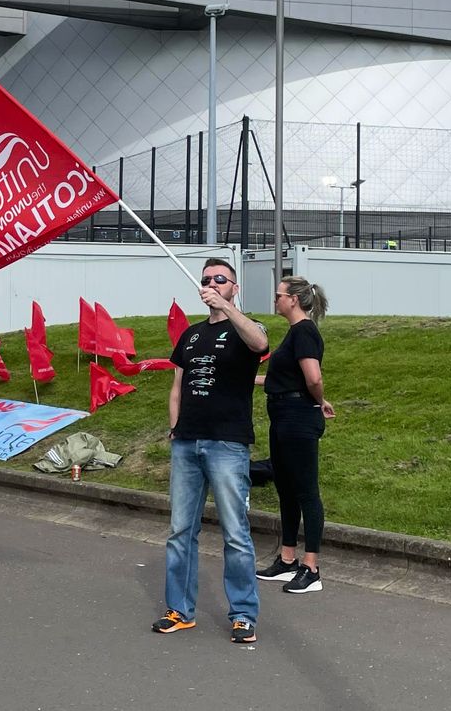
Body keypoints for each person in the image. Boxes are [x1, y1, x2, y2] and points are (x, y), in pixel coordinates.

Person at [153, 258, 268, 644]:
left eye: (221, 279)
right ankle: (179, 610)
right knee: (180, 530)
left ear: (234, 287)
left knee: (235, 533)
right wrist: (175, 428)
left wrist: (227, 308)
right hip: (187, 442)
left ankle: (243, 615)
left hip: (227, 444)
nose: (212, 284)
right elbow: (177, 387)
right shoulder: (189, 335)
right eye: (206, 280)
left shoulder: (245, 328)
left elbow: (260, 343)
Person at [255, 276, 334, 595]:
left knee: (305, 491)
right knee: (286, 488)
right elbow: (282, 377)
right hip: (284, 415)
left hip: (298, 417)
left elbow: (313, 377)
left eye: (279, 295)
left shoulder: (304, 331)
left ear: (294, 300)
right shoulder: (293, 333)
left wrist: (319, 400)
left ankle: (311, 567)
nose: (275, 299)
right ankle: (287, 560)